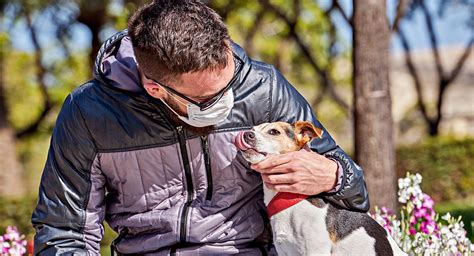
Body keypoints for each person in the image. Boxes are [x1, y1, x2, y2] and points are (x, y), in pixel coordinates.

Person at [31, 1, 369, 255]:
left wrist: (333, 175)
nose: (228, 100)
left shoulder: (263, 88)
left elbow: (355, 193)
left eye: (230, 82)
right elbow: (64, 231)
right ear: (155, 88)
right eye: (210, 98)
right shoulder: (88, 113)